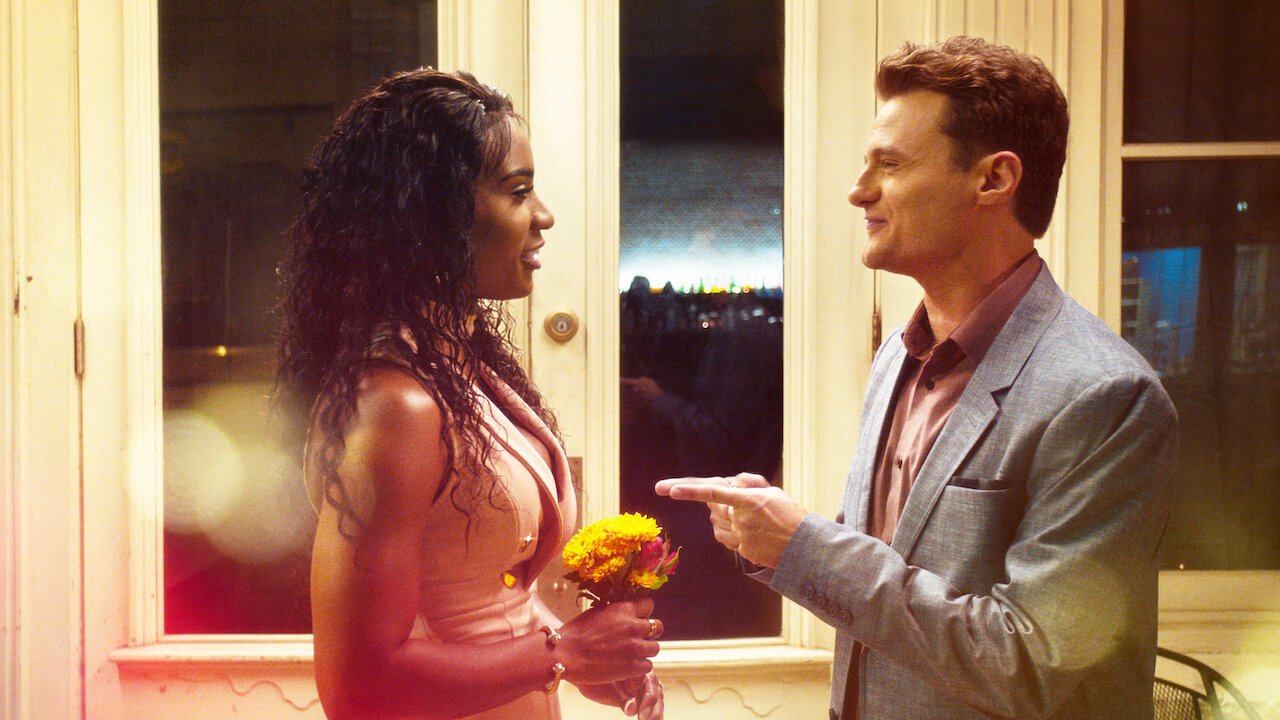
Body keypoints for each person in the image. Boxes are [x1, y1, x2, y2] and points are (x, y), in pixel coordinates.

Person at [657, 37, 1177, 720]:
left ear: (993, 180)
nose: (858, 190)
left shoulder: (1104, 395)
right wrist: (775, 538)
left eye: (891, 164)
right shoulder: (896, 357)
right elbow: (889, 578)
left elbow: (1031, 663)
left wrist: (804, 545)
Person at [277, 69, 664, 720]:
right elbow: (357, 687)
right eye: (518, 191)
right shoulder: (395, 403)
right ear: (434, 214)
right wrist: (564, 653)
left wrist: (586, 661)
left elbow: (491, 607)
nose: (544, 216)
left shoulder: (464, 370)